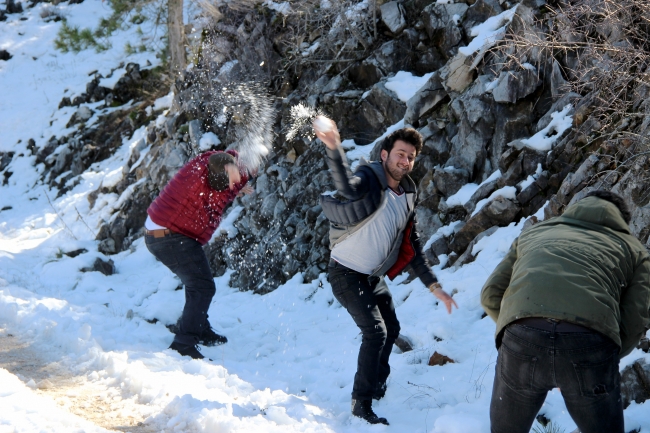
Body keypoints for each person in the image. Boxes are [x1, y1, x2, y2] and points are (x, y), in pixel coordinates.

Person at [314, 117, 458, 425]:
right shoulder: (368, 179)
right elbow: (345, 184)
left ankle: (376, 387)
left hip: (371, 276)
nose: (405, 161)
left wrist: (435, 286)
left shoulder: (407, 195)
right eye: (400, 154)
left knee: (390, 329)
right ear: (384, 155)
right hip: (345, 272)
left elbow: (413, 245)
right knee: (375, 332)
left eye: (410, 157)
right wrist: (333, 147)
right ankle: (361, 404)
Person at [481, 190, 650, 433]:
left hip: (522, 339)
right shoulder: (634, 250)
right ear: (622, 221)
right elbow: (636, 318)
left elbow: (490, 295)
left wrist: (517, 328)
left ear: (575, 209)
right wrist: (603, 355)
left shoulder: (534, 233)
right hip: (590, 342)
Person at [145, 149, 253, 360]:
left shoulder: (205, 163)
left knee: (197, 282)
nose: (233, 183)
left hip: (165, 231)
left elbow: (219, 158)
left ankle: (200, 327)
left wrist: (233, 165)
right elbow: (224, 190)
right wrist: (237, 183)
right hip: (168, 237)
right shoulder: (208, 189)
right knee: (202, 286)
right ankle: (184, 344)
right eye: (231, 181)